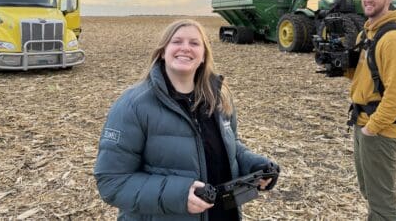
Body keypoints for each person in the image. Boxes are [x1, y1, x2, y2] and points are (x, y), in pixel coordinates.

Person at [94, 19, 278, 220]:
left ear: (203, 56)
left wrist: (254, 166)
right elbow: (112, 182)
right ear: (163, 52)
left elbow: (230, 146)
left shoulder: (218, 98)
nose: (185, 48)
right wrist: (179, 195)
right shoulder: (133, 105)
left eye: (194, 43)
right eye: (177, 41)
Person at [345, 0, 396, 220]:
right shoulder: (367, 34)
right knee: (369, 192)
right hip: (362, 121)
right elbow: (363, 78)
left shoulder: (393, 39)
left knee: (382, 203)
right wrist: (341, 64)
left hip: (379, 128)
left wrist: (371, 129)